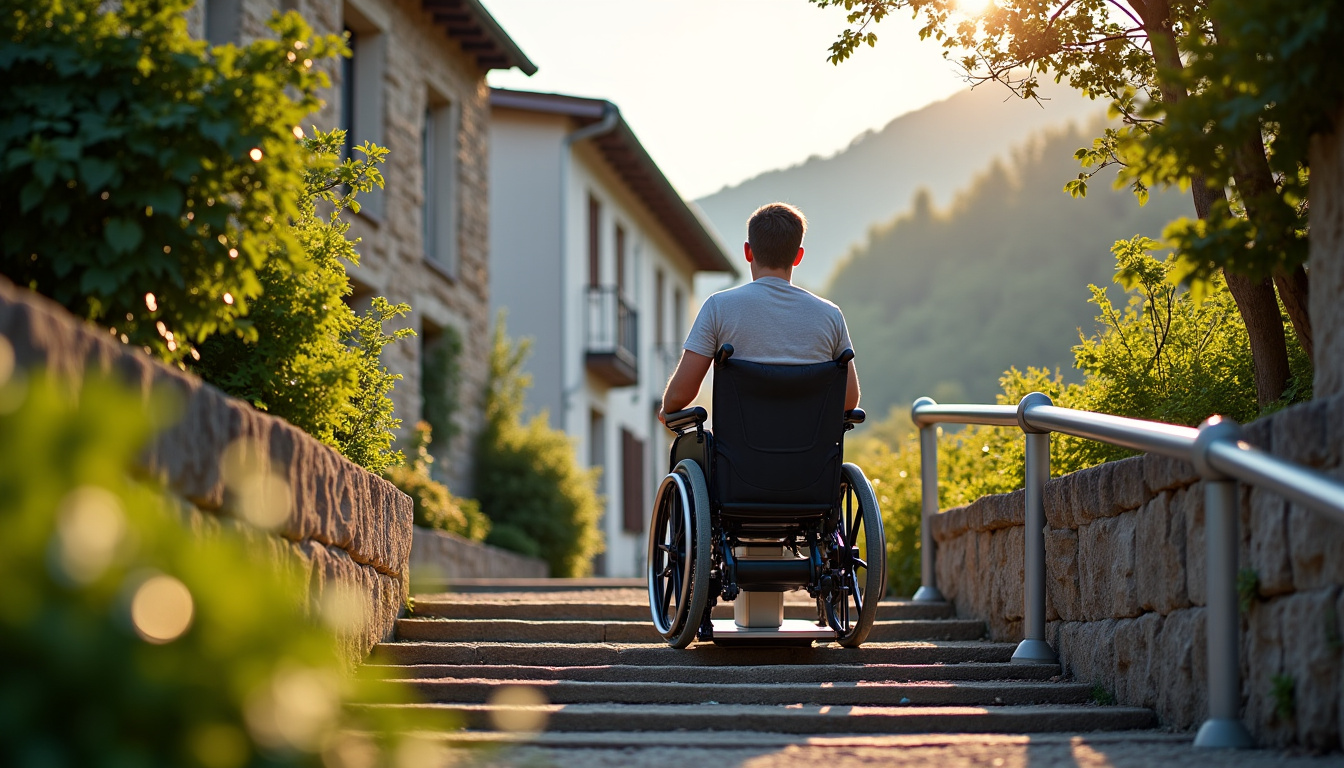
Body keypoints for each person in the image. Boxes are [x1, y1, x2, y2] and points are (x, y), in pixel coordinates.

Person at [658, 202, 860, 424]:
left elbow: (678, 397)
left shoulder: (718, 307)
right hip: (810, 456)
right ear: (798, 256)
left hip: (736, 457)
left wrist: (666, 408)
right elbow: (849, 401)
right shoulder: (830, 316)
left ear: (748, 251)